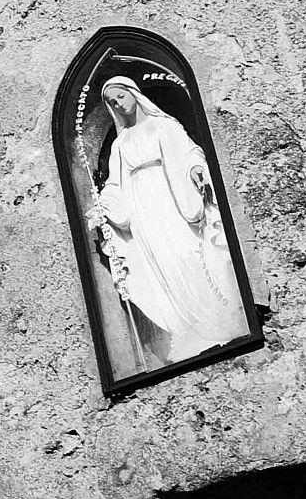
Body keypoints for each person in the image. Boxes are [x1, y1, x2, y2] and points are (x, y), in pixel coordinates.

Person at [87, 76, 247, 363]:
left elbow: (189, 152)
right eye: (112, 102)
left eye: (121, 96)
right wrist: (103, 205)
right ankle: (188, 332)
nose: (118, 104)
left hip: (169, 197)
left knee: (186, 254)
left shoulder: (164, 125)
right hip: (142, 211)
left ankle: (217, 322)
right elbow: (114, 184)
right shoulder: (120, 143)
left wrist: (195, 168)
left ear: (133, 93)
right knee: (164, 264)